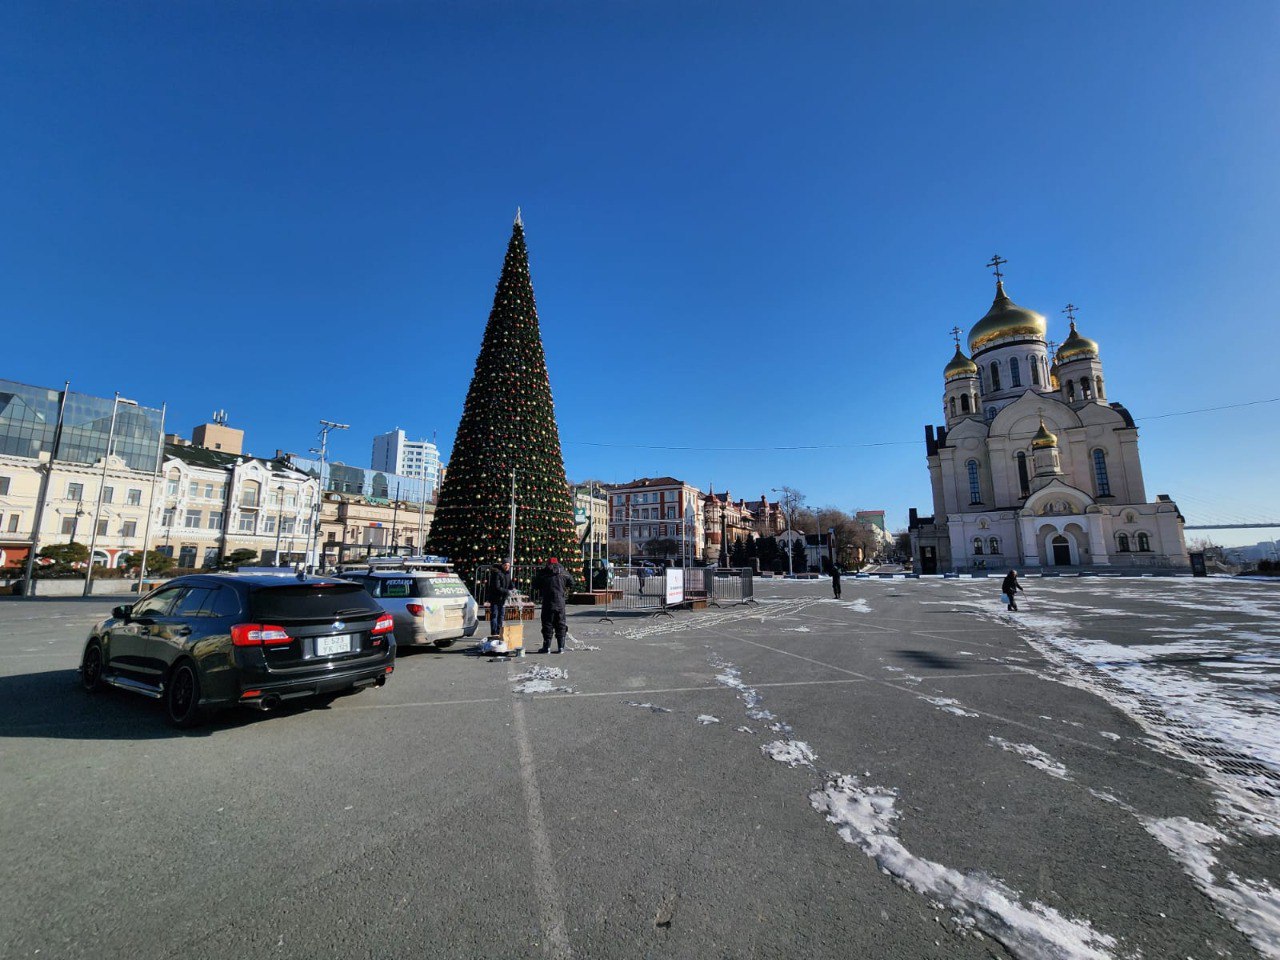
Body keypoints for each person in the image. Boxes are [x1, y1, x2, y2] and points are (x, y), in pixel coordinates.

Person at [533, 557, 572, 653]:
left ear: (548, 563)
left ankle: (547, 647)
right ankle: (561, 647)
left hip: (548, 601)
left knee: (547, 623)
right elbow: (572, 582)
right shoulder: (564, 572)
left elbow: (535, 584)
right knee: (561, 623)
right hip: (560, 601)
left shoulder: (544, 573)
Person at [487, 560, 514, 637]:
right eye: (506, 565)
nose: (507, 567)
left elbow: (510, 584)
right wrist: (507, 591)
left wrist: (513, 588)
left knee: (501, 615)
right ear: (502, 565)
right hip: (495, 597)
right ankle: (494, 633)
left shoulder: (508, 573)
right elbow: (497, 587)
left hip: (502, 598)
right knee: (495, 615)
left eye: (508, 565)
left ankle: (499, 632)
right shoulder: (497, 573)